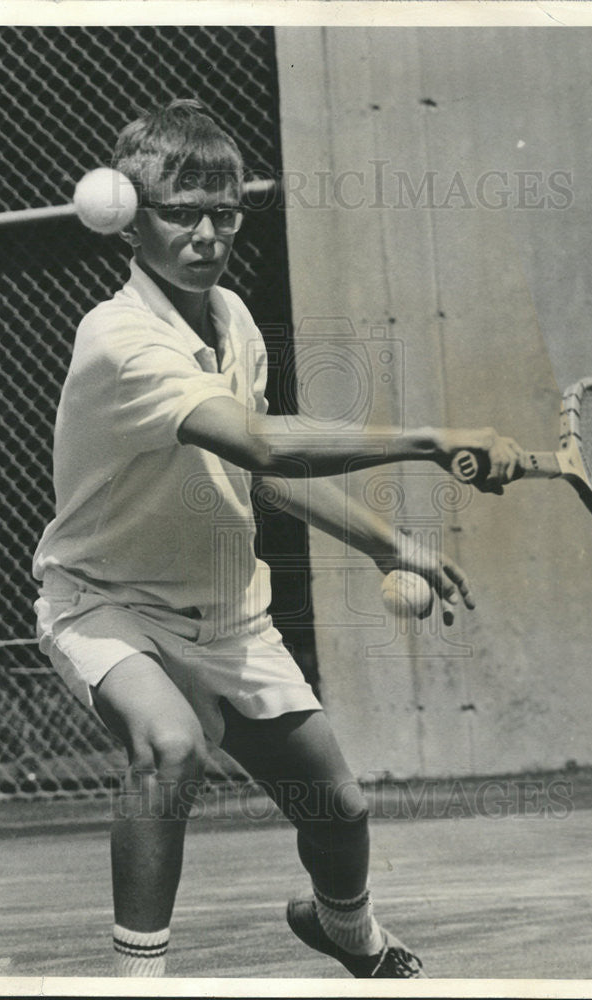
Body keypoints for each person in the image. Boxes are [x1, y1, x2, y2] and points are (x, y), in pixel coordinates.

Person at [33, 99, 522, 979]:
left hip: (229, 619)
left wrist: (386, 544)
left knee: (339, 810)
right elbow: (258, 440)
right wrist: (431, 439)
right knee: (168, 745)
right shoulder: (117, 337)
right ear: (128, 215)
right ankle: (137, 981)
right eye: (182, 213)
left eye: (226, 211)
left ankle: (347, 932)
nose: (209, 232)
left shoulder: (232, 319)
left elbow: (259, 473)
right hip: (108, 608)